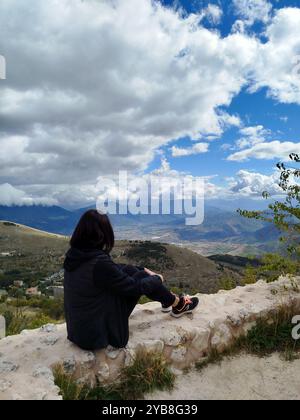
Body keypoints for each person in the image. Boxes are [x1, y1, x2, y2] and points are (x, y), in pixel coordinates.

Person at [64, 209, 199, 351]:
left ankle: (168, 300)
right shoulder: (99, 263)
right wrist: (157, 278)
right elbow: (135, 287)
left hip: (78, 331)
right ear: (103, 234)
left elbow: (114, 271)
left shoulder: (76, 255)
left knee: (131, 270)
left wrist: (140, 269)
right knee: (141, 277)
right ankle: (178, 304)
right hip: (97, 335)